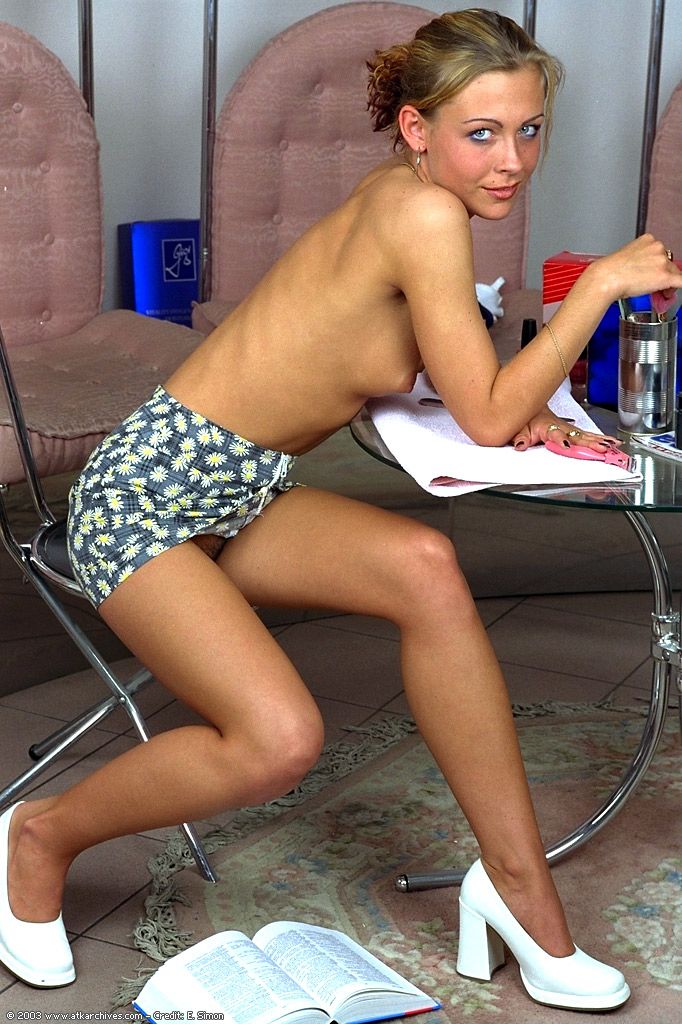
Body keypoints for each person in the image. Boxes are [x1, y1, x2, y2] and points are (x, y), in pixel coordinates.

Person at [1, 6, 679, 1007]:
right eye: (481, 133)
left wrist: (517, 402)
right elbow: (485, 414)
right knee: (277, 740)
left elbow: (427, 368)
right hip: (144, 500)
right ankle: (37, 836)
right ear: (416, 128)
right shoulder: (422, 215)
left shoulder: (411, 198)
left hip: (238, 489)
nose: (511, 161)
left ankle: (516, 885)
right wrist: (601, 285)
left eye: (528, 129)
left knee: (425, 569)